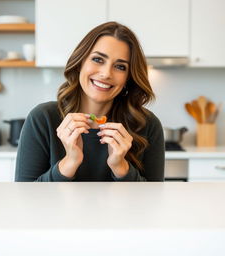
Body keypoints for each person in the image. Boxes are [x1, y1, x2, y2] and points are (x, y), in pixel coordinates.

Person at [15, 21, 164, 182]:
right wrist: (69, 163)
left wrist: (121, 168)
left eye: (120, 67)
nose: (106, 73)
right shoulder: (43, 118)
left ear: (128, 77)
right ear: (80, 63)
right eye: (98, 59)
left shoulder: (148, 125)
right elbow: (26, 198)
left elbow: (152, 202)